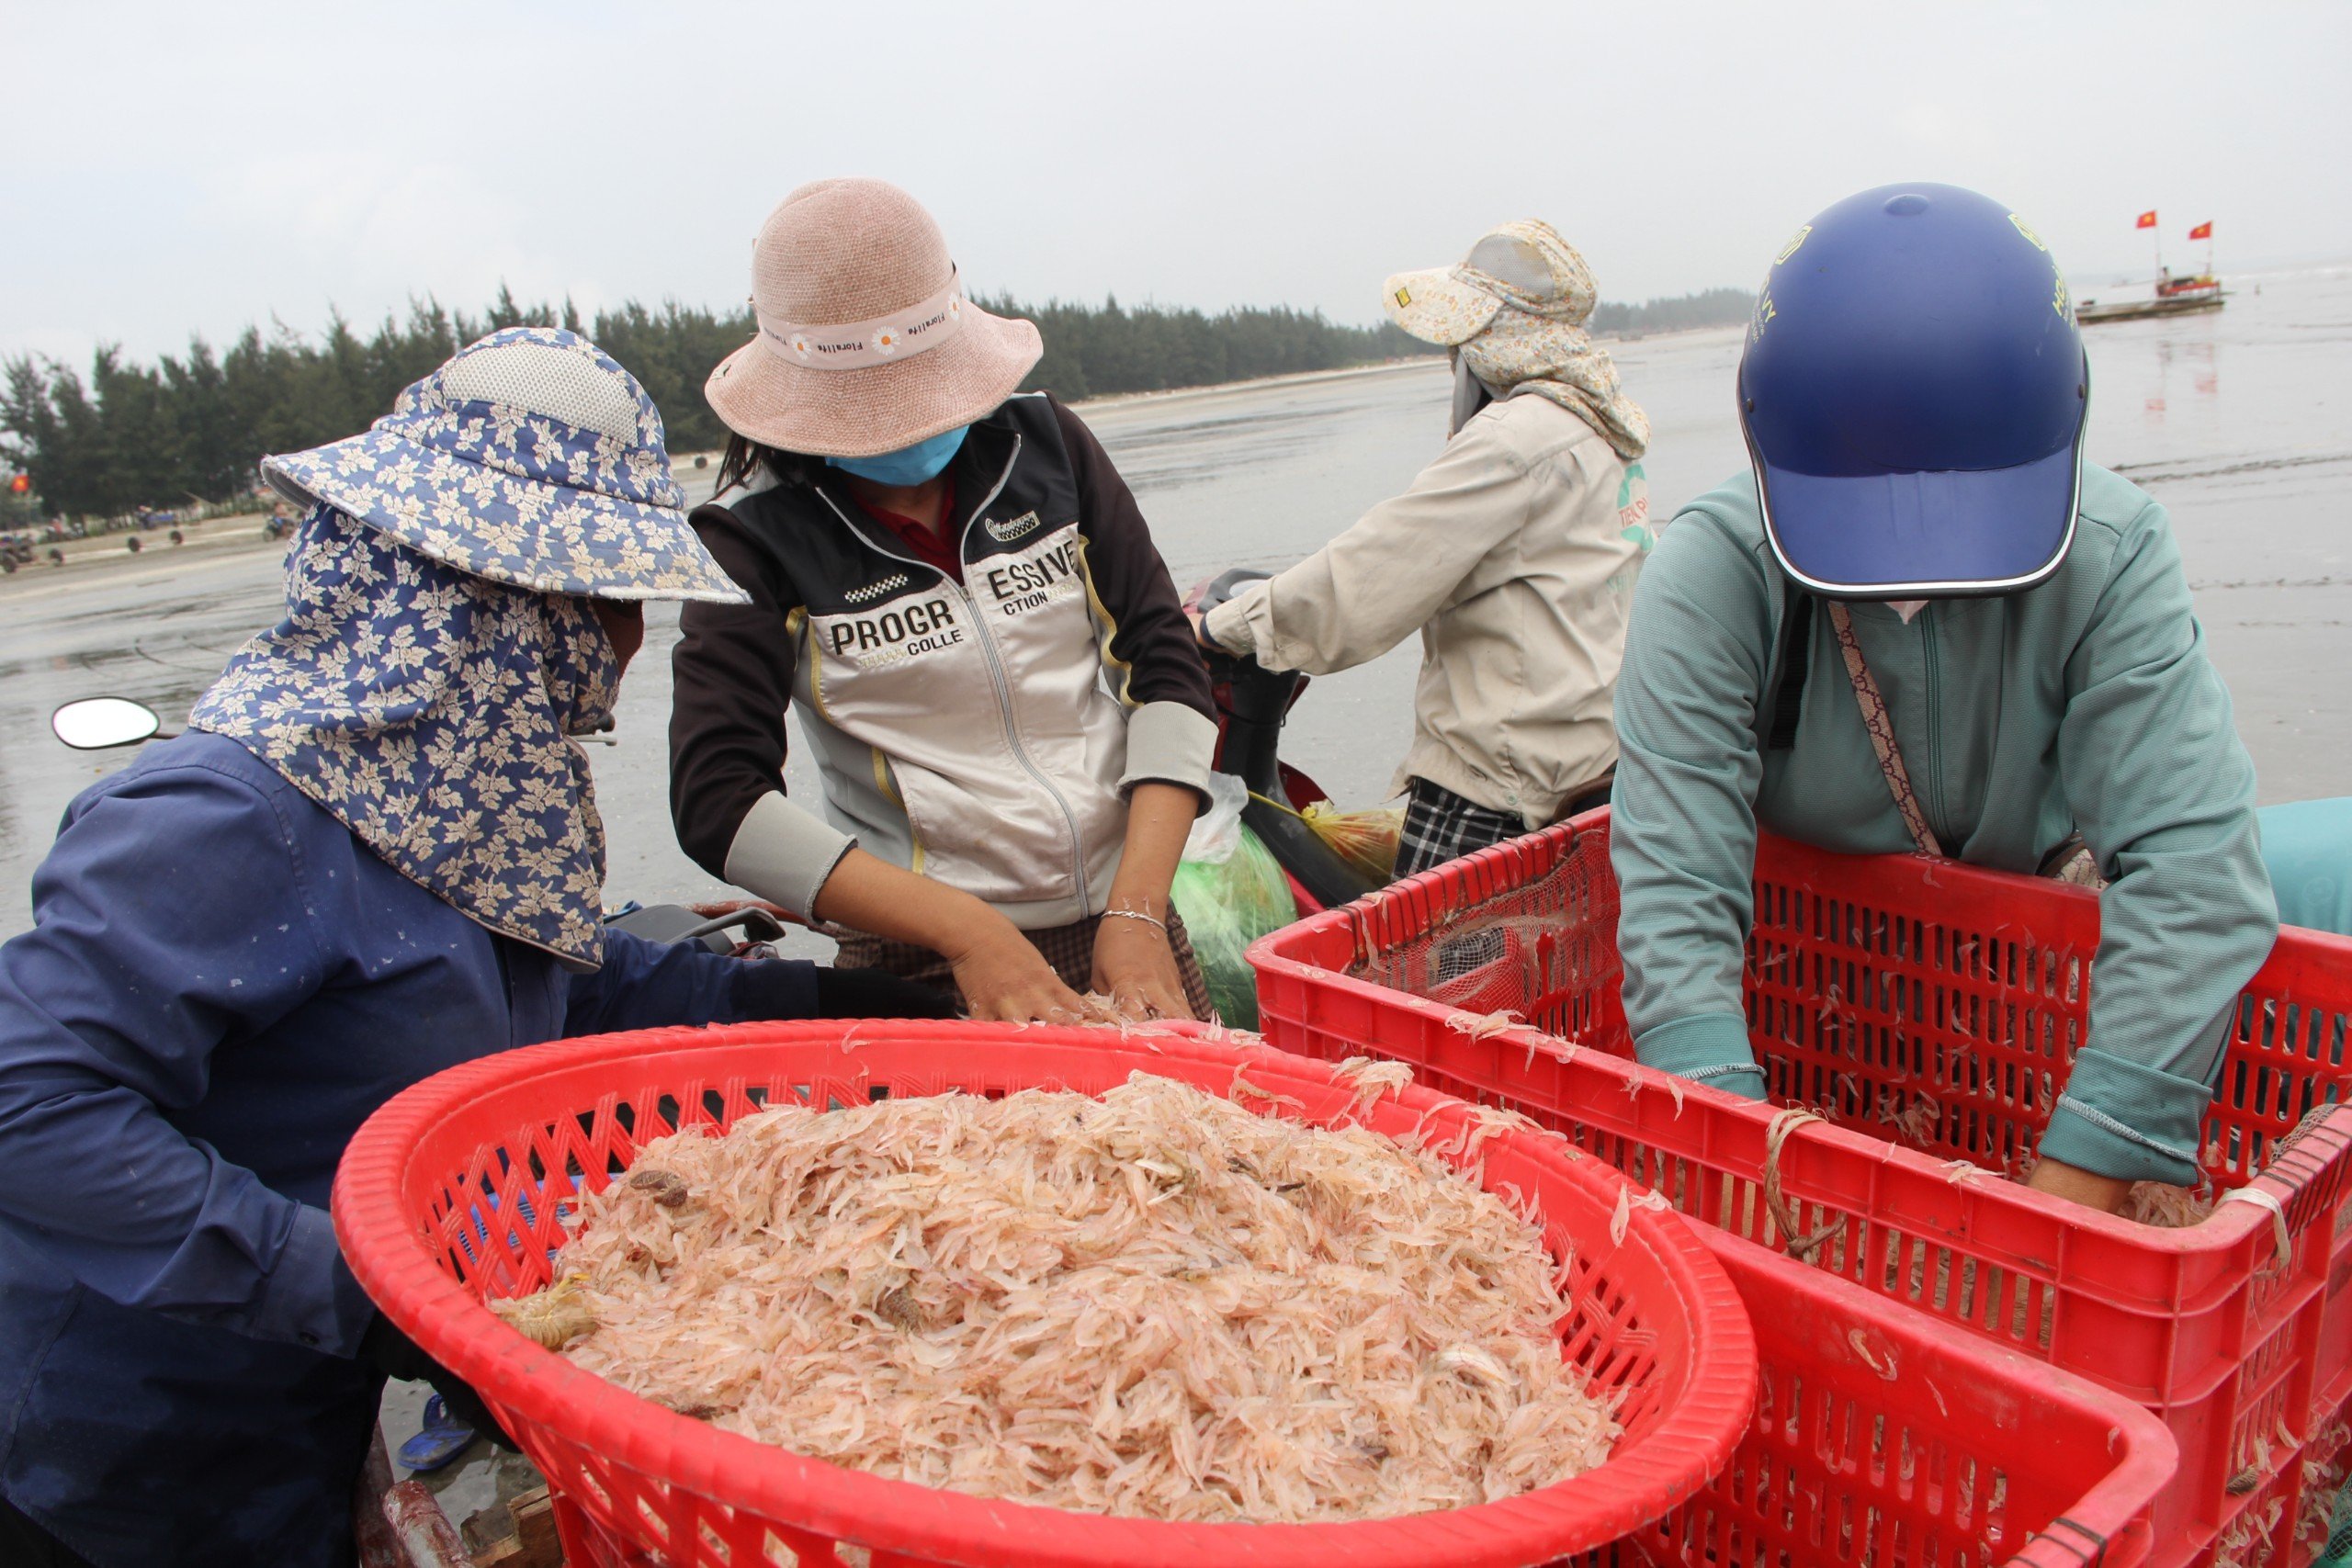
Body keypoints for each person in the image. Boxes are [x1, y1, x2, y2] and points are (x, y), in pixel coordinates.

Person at [0, 327, 950, 1568]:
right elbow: (32, 1102)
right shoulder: (239, 815)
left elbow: (570, 977)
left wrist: (849, 1010)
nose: (630, 643)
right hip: (123, 1443)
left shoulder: (454, 795)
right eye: (615, 601)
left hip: (305, 1415)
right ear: (506, 608)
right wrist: (365, 1288)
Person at [1610, 184, 2276, 1216]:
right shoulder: (1712, 572)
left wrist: (2068, 1188)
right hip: (1800, 993)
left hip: (2021, 1001)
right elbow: (1676, 894)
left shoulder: (2110, 553)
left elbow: (2195, 870)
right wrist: (1737, 1166)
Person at [669, 179, 1219, 1022]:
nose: (905, 429)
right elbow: (718, 799)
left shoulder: (1049, 449)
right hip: (925, 955)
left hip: (1127, 924)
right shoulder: (756, 536)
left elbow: (1167, 667)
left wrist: (1140, 907)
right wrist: (968, 934)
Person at [1190, 220, 1652, 877]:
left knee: (1433, 972)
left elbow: (1368, 578)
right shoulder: (1604, 427)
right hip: (1592, 754)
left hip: (1497, 786)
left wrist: (1218, 629)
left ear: (1483, 351)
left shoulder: (1513, 439)